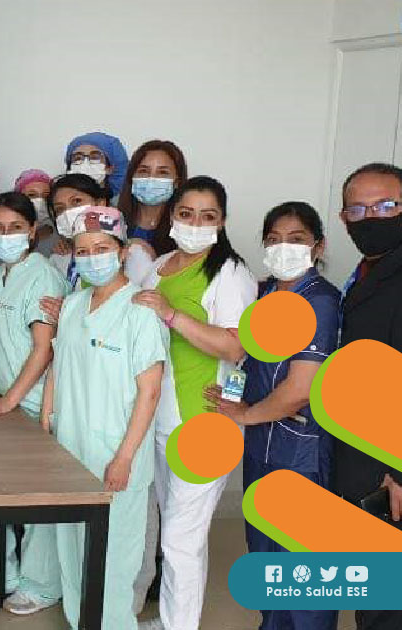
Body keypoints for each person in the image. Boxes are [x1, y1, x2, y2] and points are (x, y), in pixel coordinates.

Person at [207, 202, 339, 630]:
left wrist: (245, 415)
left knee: (302, 559)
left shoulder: (321, 302)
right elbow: (246, 361)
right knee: (265, 549)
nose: (284, 248)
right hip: (262, 447)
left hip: (301, 449)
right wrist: (230, 400)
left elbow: (300, 390)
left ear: (318, 246)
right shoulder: (264, 294)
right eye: (274, 240)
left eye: (296, 239)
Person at [132, 176, 257, 630]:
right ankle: (171, 619)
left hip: (204, 421)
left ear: (222, 221)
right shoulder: (159, 265)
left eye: (208, 216)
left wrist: (171, 314)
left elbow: (235, 346)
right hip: (158, 416)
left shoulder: (229, 273)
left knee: (181, 538)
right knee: (172, 527)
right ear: (172, 215)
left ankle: (178, 625)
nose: (195, 223)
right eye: (186, 214)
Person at [44, 206, 167, 630]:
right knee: (72, 547)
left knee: (114, 555)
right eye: (83, 251)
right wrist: (46, 423)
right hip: (70, 448)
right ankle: (82, 622)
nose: (92, 257)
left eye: (101, 248)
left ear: (122, 251)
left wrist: (125, 457)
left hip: (116, 453)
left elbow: (150, 391)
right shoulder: (73, 305)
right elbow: (58, 366)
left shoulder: (140, 310)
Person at [0, 192, 68, 613]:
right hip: (3, 401)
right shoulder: (0, 273)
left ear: (32, 231)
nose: (5, 236)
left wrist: (11, 399)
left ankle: (41, 585)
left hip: (32, 402)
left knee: (40, 498)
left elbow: (44, 350)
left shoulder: (42, 277)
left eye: (15, 228)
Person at [334, 162, 402, 630]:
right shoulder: (363, 274)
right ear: (344, 219)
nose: (371, 218)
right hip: (361, 458)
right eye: (358, 209)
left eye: (386, 206)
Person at [47, 174, 156, 290]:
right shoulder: (57, 260)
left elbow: (148, 295)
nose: (68, 211)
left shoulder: (134, 253)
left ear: (100, 203)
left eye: (77, 201)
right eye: (60, 208)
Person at [117, 140, 188, 258]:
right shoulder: (113, 221)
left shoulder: (185, 227)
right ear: (131, 177)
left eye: (163, 172)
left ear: (177, 181)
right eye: (143, 171)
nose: (151, 179)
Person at [65, 131, 129, 200]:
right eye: (78, 158)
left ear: (110, 168)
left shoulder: (122, 205)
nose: (85, 163)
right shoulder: (60, 201)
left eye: (94, 157)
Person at [14, 169, 56, 255]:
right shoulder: (6, 225)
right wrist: (36, 237)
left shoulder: (60, 228)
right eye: (32, 195)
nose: (40, 201)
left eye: (46, 196)